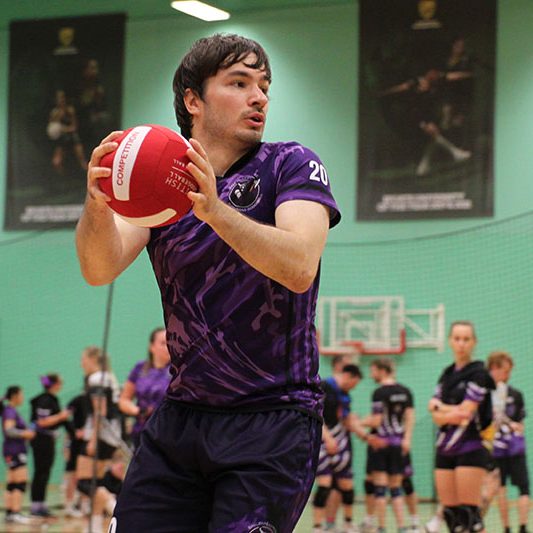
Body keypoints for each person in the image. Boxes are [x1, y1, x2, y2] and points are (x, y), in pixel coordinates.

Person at [76, 33, 340, 532]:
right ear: (193, 100)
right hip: (182, 419)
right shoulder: (162, 186)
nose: (259, 96)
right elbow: (98, 268)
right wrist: (97, 205)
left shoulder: (291, 163)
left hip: (274, 419)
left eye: (263, 85)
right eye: (239, 83)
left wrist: (214, 210)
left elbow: (300, 265)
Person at [428, 321, 495, 533]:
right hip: (444, 448)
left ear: (474, 342)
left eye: (466, 339)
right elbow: (437, 418)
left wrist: (440, 407)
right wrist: (448, 412)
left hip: (471, 446)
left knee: (470, 516)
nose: (461, 344)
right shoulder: (447, 374)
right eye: (457, 338)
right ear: (450, 341)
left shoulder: (479, 373)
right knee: (452, 516)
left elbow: (465, 414)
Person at [312, 364, 367, 532]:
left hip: (342, 443)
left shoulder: (344, 395)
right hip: (323, 441)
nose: (353, 387)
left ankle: (348, 523)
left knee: (347, 486)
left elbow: (346, 418)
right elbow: (317, 415)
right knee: (324, 485)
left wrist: (364, 434)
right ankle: (318, 526)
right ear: (347, 376)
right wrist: (328, 439)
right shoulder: (324, 387)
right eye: (354, 383)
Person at [365, 357, 415, 533]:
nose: (371, 374)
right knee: (396, 489)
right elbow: (410, 417)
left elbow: (377, 421)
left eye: (373, 370)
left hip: (381, 444)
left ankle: (381, 528)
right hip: (398, 444)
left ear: (382, 370)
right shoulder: (406, 391)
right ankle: (402, 527)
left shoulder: (379, 393)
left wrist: (360, 422)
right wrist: (407, 439)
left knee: (380, 489)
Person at [76, 346, 122, 533]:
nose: (81, 363)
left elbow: (100, 411)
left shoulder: (96, 378)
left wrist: (93, 439)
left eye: (83, 358)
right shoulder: (109, 376)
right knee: (99, 483)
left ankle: (117, 509)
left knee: (85, 483)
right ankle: (94, 528)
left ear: (93, 358)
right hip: (111, 436)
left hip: (101, 436)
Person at [487, 351, 530, 533]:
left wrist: (513, 426)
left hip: (513, 448)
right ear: (494, 369)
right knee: (501, 488)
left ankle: (521, 527)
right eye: (506, 370)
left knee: (522, 488)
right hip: (496, 449)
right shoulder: (485, 395)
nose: (508, 374)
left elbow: (520, 426)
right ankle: (508, 528)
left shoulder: (515, 395)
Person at [118, 327, 171, 448]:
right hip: (142, 430)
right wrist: (137, 411)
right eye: (163, 343)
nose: (167, 346)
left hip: (168, 431)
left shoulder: (178, 370)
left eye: (170, 342)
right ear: (151, 346)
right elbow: (124, 400)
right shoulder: (140, 368)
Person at [29, 373, 70, 518]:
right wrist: (61, 416)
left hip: (47, 441)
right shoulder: (45, 400)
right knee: (40, 472)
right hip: (41, 441)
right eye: (60, 382)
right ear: (54, 384)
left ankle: (41, 503)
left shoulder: (52, 399)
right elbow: (42, 422)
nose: (61, 385)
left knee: (44, 472)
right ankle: (35, 505)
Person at [1, 386, 35, 524]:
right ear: (14, 396)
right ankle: (15, 513)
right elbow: (9, 430)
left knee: (12, 484)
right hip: (15, 450)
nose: (22, 397)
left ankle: (10, 513)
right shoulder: (10, 411)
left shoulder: (10, 410)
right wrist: (25, 433)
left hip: (12, 450)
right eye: (21, 394)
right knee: (20, 483)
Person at [63, 381, 91, 518]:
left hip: (90, 443)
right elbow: (64, 416)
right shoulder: (79, 400)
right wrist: (74, 431)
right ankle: (69, 506)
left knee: (87, 475)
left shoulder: (97, 402)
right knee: (73, 475)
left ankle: (85, 505)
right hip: (77, 444)